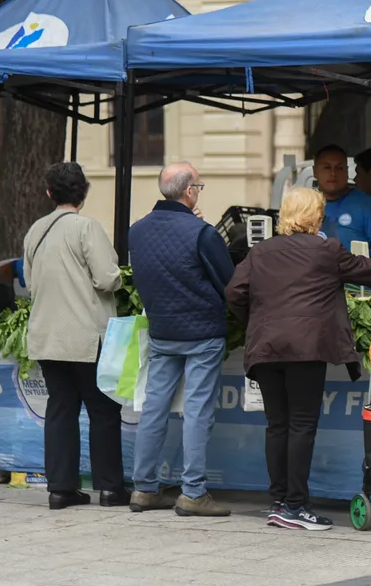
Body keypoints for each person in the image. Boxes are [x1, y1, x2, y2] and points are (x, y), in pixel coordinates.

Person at [225, 188, 371, 531]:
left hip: (266, 349)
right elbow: (369, 272)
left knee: (277, 426)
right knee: (301, 425)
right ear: (316, 216)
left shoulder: (261, 251)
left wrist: (257, 321)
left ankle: (279, 501)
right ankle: (297, 507)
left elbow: (234, 293)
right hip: (306, 350)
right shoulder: (326, 249)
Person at [128, 162, 234, 517]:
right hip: (203, 332)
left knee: (154, 408)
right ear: (189, 192)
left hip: (162, 331)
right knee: (197, 411)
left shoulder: (137, 231)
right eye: (199, 187)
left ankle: (143, 488)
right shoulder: (202, 232)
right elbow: (228, 282)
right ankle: (193, 492)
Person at [23, 162, 127, 510]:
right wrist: (122, 276)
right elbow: (106, 278)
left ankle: (60, 489)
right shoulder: (87, 228)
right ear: (83, 193)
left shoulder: (35, 231)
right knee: (103, 411)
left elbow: (31, 283)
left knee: (60, 409)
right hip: (86, 336)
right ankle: (110, 488)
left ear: (49, 193)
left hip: (47, 336)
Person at [314, 145, 371, 261]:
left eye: (340, 168)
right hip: (314, 277)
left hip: (356, 277)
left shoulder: (365, 205)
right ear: (315, 171)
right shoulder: (304, 204)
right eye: (327, 167)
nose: (333, 173)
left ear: (347, 171)